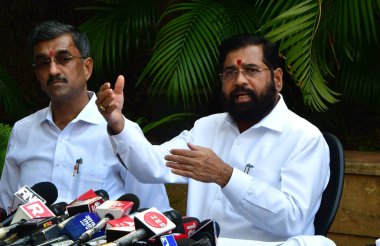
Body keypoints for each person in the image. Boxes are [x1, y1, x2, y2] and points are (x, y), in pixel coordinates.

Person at [96, 34, 330, 241]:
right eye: (230, 72)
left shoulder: (305, 138)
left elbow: (293, 220)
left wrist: (226, 176)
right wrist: (117, 123)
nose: (239, 80)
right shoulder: (207, 128)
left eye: (251, 70)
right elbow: (152, 166)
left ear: (277, 79)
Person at [0, 21, 171, 212]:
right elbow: (6, 209)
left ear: (87, 68)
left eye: (64, 59)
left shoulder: (119, 133)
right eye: (43, 63)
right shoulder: (23, 131)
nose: (53, 70)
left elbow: (156, 214)